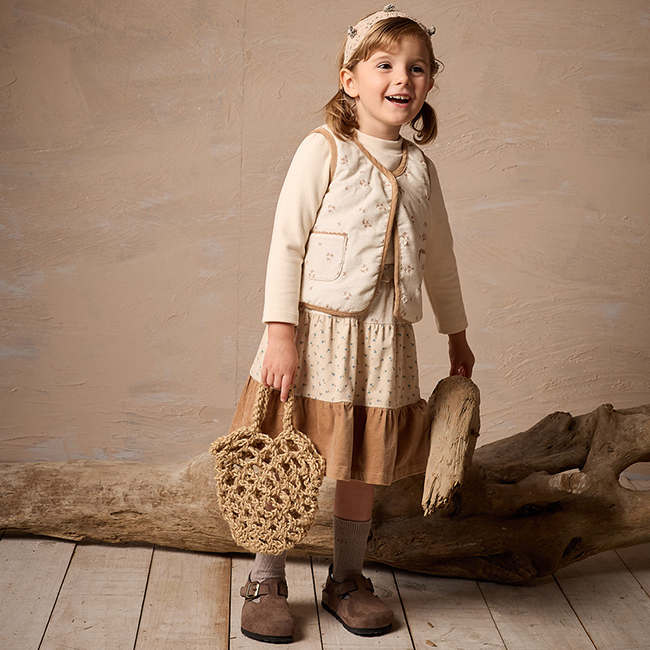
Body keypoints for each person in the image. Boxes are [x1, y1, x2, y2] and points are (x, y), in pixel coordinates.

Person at [230, 4, 475, 644]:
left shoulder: (421, 169)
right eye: (384, 64)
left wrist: (456, 332)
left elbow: (440, 257)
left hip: (386, 340)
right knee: (285, 452)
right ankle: (265, 579)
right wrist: (280, 333)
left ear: (429, 83)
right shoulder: (325, 150)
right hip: (316, 335)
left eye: (416, 67)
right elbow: (287, 244)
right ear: (350, 79)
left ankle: (346, 578)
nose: (402, 78)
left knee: (362, 461)